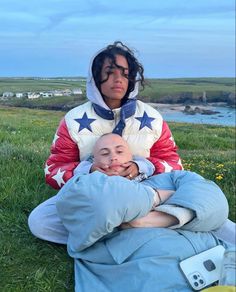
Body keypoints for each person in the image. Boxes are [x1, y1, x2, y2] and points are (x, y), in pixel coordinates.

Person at [28, 41, 183, 243]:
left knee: (200, 202)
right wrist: (89, 172)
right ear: (96, 76)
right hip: (91, 196)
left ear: (132, 77)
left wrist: (140, 167)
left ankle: (105, 231)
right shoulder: (73, 119)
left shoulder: (152, 118)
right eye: (109, 72)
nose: (118, 80)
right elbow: (54, 170)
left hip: (145, 193)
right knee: (40, 221)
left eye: (124, 73)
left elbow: (174, 164)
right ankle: (139, 228)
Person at [55, 135, 231, 291]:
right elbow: (104, 204)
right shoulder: (81, 185)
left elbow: (212, 197)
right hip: (154, 274)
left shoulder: (166, 178)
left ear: (132, 157)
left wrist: (161, 218)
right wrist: (157, 196)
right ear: (93, 161)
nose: (113, 156)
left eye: (119, 150)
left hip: (220, 260)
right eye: (104, 153)